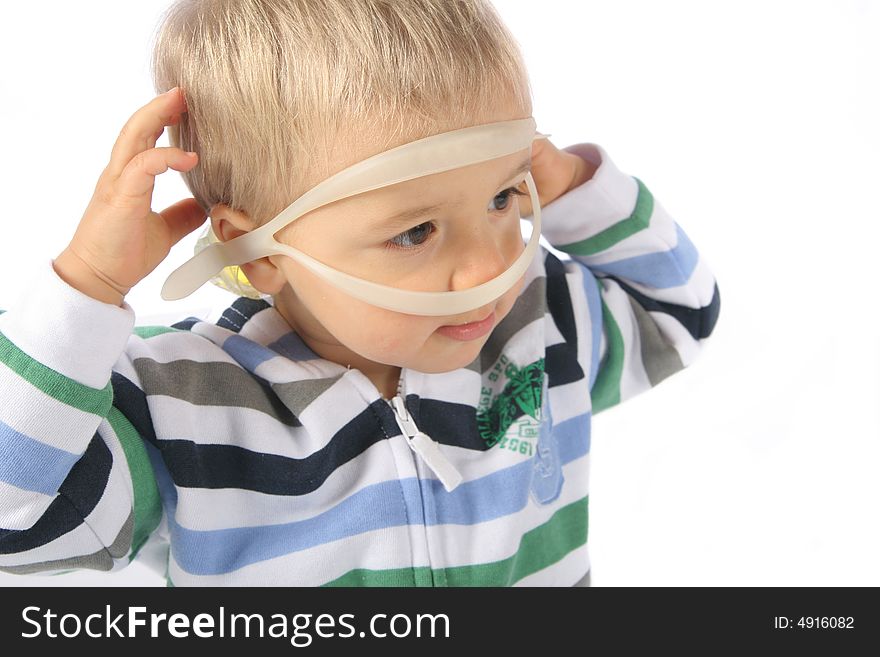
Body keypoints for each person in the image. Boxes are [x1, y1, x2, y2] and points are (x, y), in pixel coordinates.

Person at [0, 0, 719, 586]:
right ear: (260, 255)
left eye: (503, 195)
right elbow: (17, 518)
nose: (485, 271)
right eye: (415, 232)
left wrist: (574, 191)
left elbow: (679, 315)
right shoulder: (186, 410)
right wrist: (85, 290)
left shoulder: (534, 324)